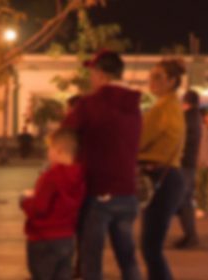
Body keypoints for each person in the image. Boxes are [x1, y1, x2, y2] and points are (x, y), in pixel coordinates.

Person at [62, 50, 142, 280]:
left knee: (91, 263)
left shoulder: (89, 105)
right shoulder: (134, 107)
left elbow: (63, 136)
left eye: (92, 72)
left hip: (97, 193)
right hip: (127, 193)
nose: (91, 78)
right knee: (128, 260)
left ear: (102, 74)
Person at [139, 59, 186, 280]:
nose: (152, 81)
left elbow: (139, 142)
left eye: (158, 77)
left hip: (160, 177)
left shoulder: (162, 108)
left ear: (172, 81)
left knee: (150, 247)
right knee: (151, 246)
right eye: (151, 75)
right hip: (168, 177)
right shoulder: (172, 105)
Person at [20, 128, 85, 280]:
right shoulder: (80, 177)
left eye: (49, 148)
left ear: (59, 151)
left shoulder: (51, 176)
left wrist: (24, 200)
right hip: (67, 238)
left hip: (43, 238)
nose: (48, 153)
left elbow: (39, 208)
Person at [174, 90, 201, 249]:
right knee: (184, 201)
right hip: (189, 164)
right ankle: (189, 235)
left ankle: (191, 236)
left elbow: (180, 140)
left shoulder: (187, 118)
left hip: (184, 164)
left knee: (183, 201)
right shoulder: (195, 117)